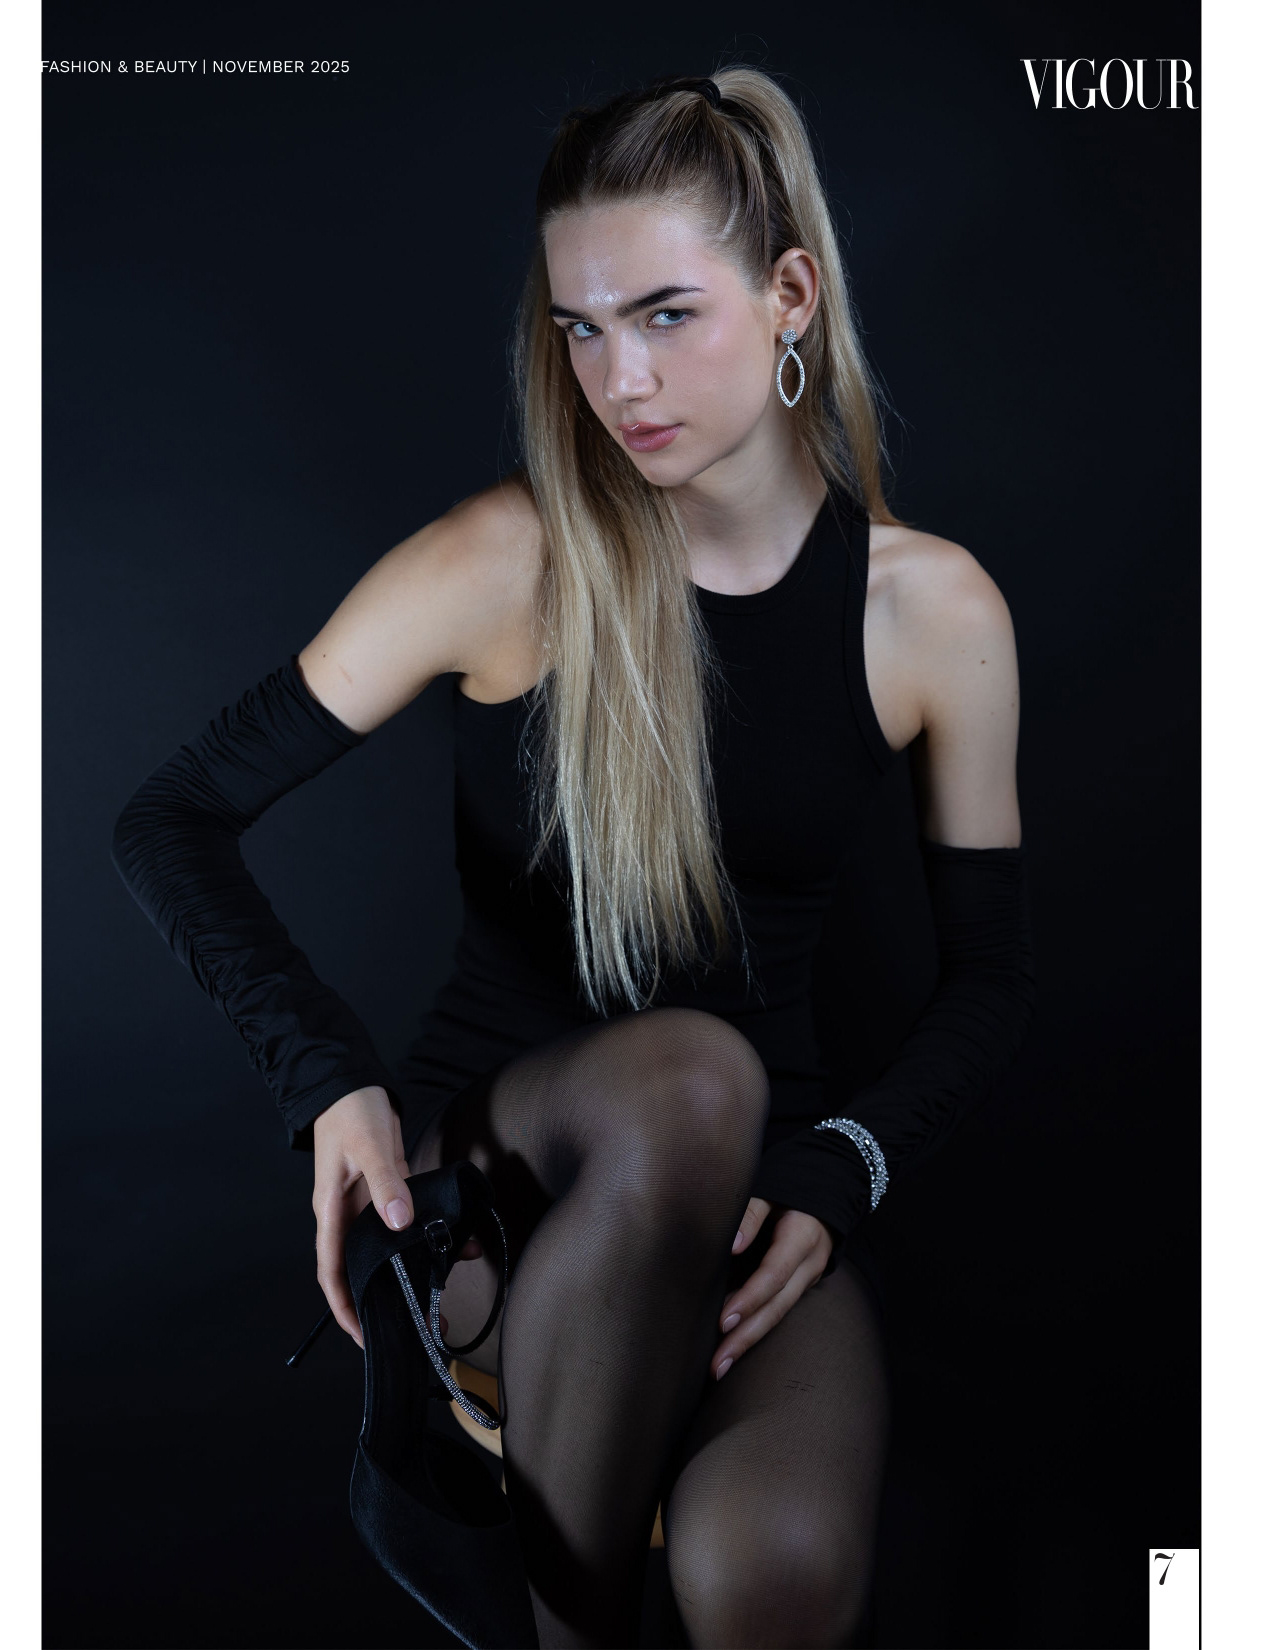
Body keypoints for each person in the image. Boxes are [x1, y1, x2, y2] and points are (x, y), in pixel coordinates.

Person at [111, 66, 1036, 1650]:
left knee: (773, 1572)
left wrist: (847, 1163)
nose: (622, 378)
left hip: (754, 1191)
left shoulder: (931, 612)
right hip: (500, 1178)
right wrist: (324, 1078)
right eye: (583, 329)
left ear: (790, 293)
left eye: (667, 315)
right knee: (692, 1076)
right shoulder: (507, 559)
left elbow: (994, 978)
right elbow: (169, 816)